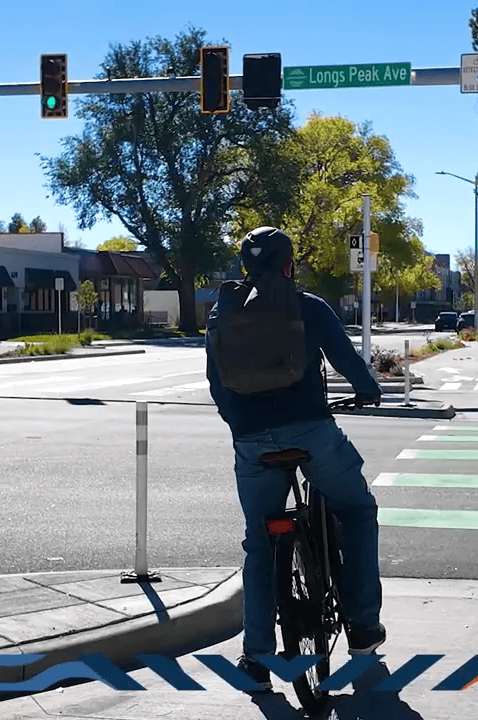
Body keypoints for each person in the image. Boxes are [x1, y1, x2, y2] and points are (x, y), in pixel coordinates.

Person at [205, 226, 387, 691]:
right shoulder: (308, 306)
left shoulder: (220, 313)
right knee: (357, 511)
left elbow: (217, 384)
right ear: (289, 264)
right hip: (311, 431)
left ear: (245, 268)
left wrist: (243, 427)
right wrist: (368, 390)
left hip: (250, 440)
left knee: (260, 543)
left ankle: (257, 659)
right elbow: (347, 361)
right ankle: (363, 629)